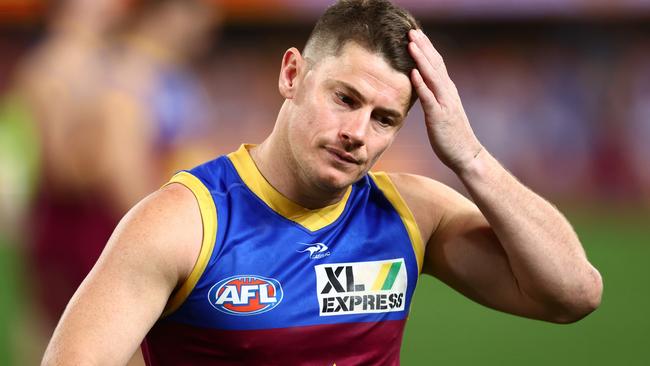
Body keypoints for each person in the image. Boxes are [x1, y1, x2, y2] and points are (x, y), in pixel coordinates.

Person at [42, 0, 603, 364]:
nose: (357, 132)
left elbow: (573, 295)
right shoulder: (185, 222)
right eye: (345, 99)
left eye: (384, 119)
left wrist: (472, 157)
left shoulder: (411, 214)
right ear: (292, 75)